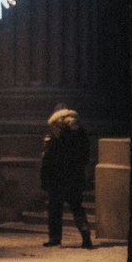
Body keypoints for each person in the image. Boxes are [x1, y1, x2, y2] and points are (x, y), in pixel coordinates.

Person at [39, 105, 93, 248]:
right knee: (77, 207)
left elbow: (48, 158)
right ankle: (86, 235)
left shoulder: (55, 131)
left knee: (55, 209)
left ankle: (55, 238)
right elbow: (86, 155)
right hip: (75, 177)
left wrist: (44, 178)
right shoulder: (80, 131)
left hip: (57, 178)